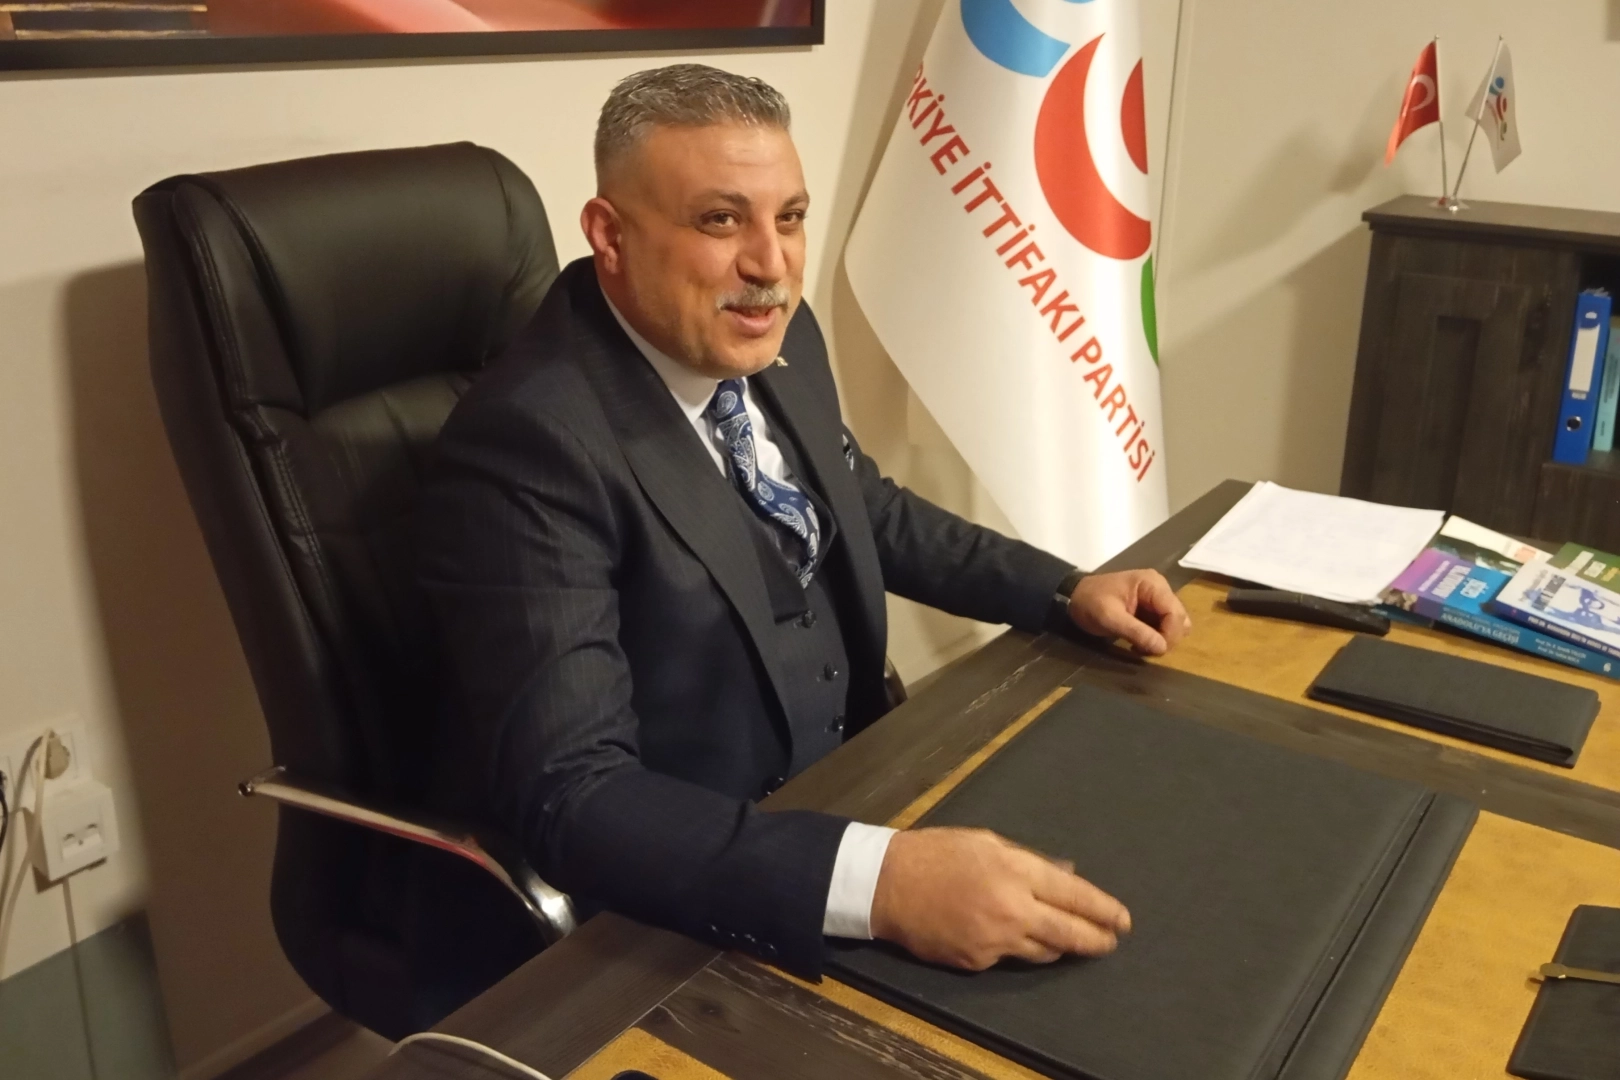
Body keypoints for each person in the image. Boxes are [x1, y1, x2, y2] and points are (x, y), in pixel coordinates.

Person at [416, 63, 1191, 995]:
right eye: (720, 220)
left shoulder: (774, 334)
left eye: (788, 218)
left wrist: (1062, 589)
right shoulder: (530, 442)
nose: (771, 265)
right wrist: (880, 884)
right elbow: (575, 797)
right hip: (705, 887)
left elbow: (865, 506)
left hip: (861, 784)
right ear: (610, 235)